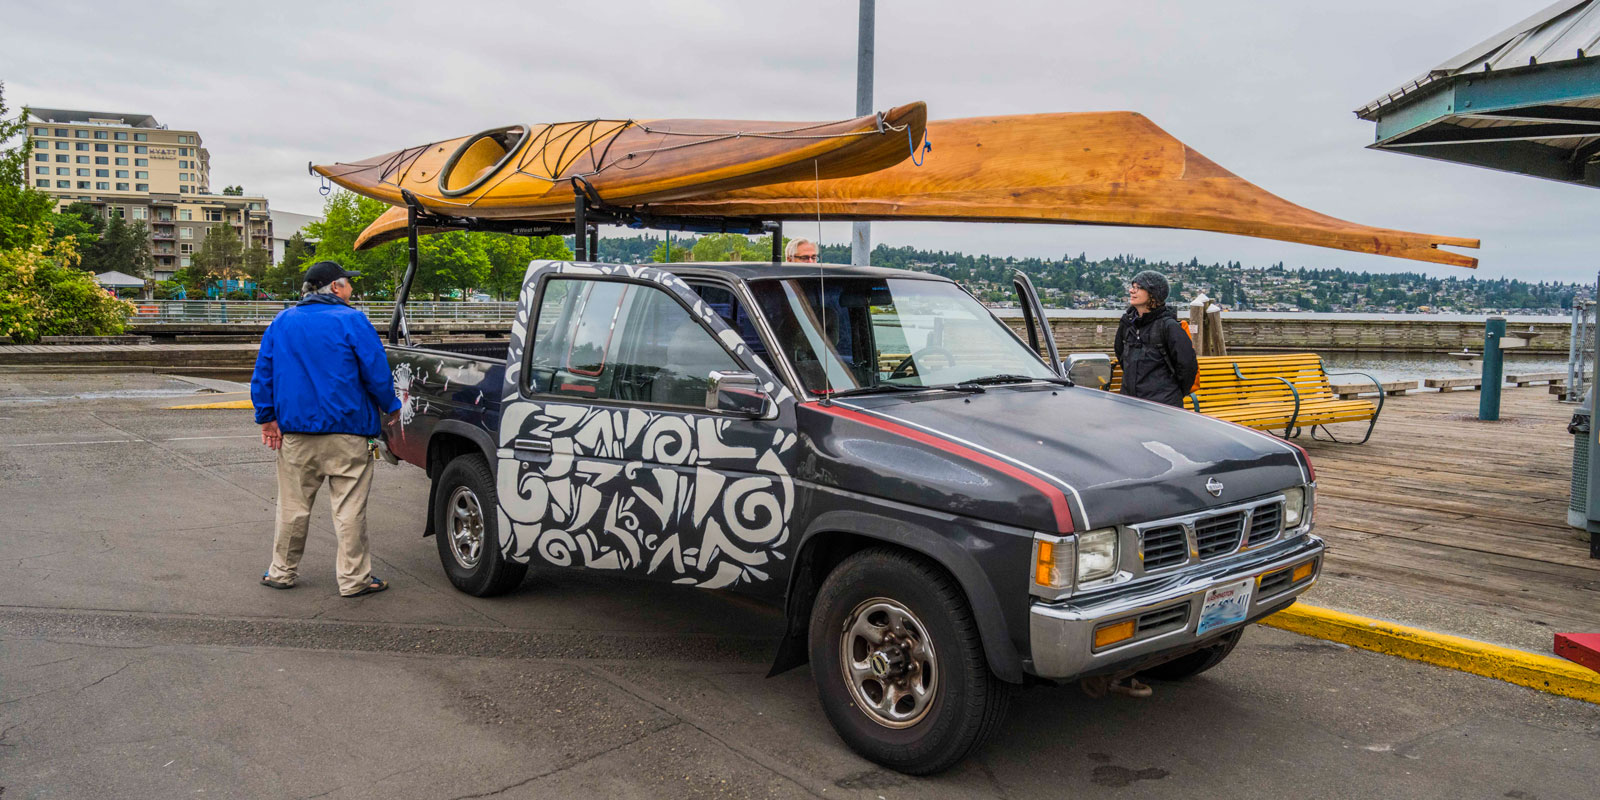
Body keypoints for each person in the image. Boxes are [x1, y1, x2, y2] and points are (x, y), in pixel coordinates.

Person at [252, 261, 402, 597]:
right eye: (349, 283)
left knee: (292, 507)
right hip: (348, 433)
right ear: (334, 287)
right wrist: (391, 407)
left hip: (296, 435)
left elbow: (263, 373)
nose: (352, 290)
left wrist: (266, 417)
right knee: (349, 509)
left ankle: (281, 572)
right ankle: (354, 580)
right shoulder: (353, 320)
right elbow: (376, 373)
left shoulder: (282, 322)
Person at [1113, 270, 1198, 408]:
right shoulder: (1127, 324)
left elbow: (1187, 366)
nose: (1131, 291)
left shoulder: (1169, 327)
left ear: (1153, 294)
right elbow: (1121, 355)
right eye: (1132, 287)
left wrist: (1172, 394)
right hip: (1130, 403)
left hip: (1163, 407)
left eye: (1138, 287)